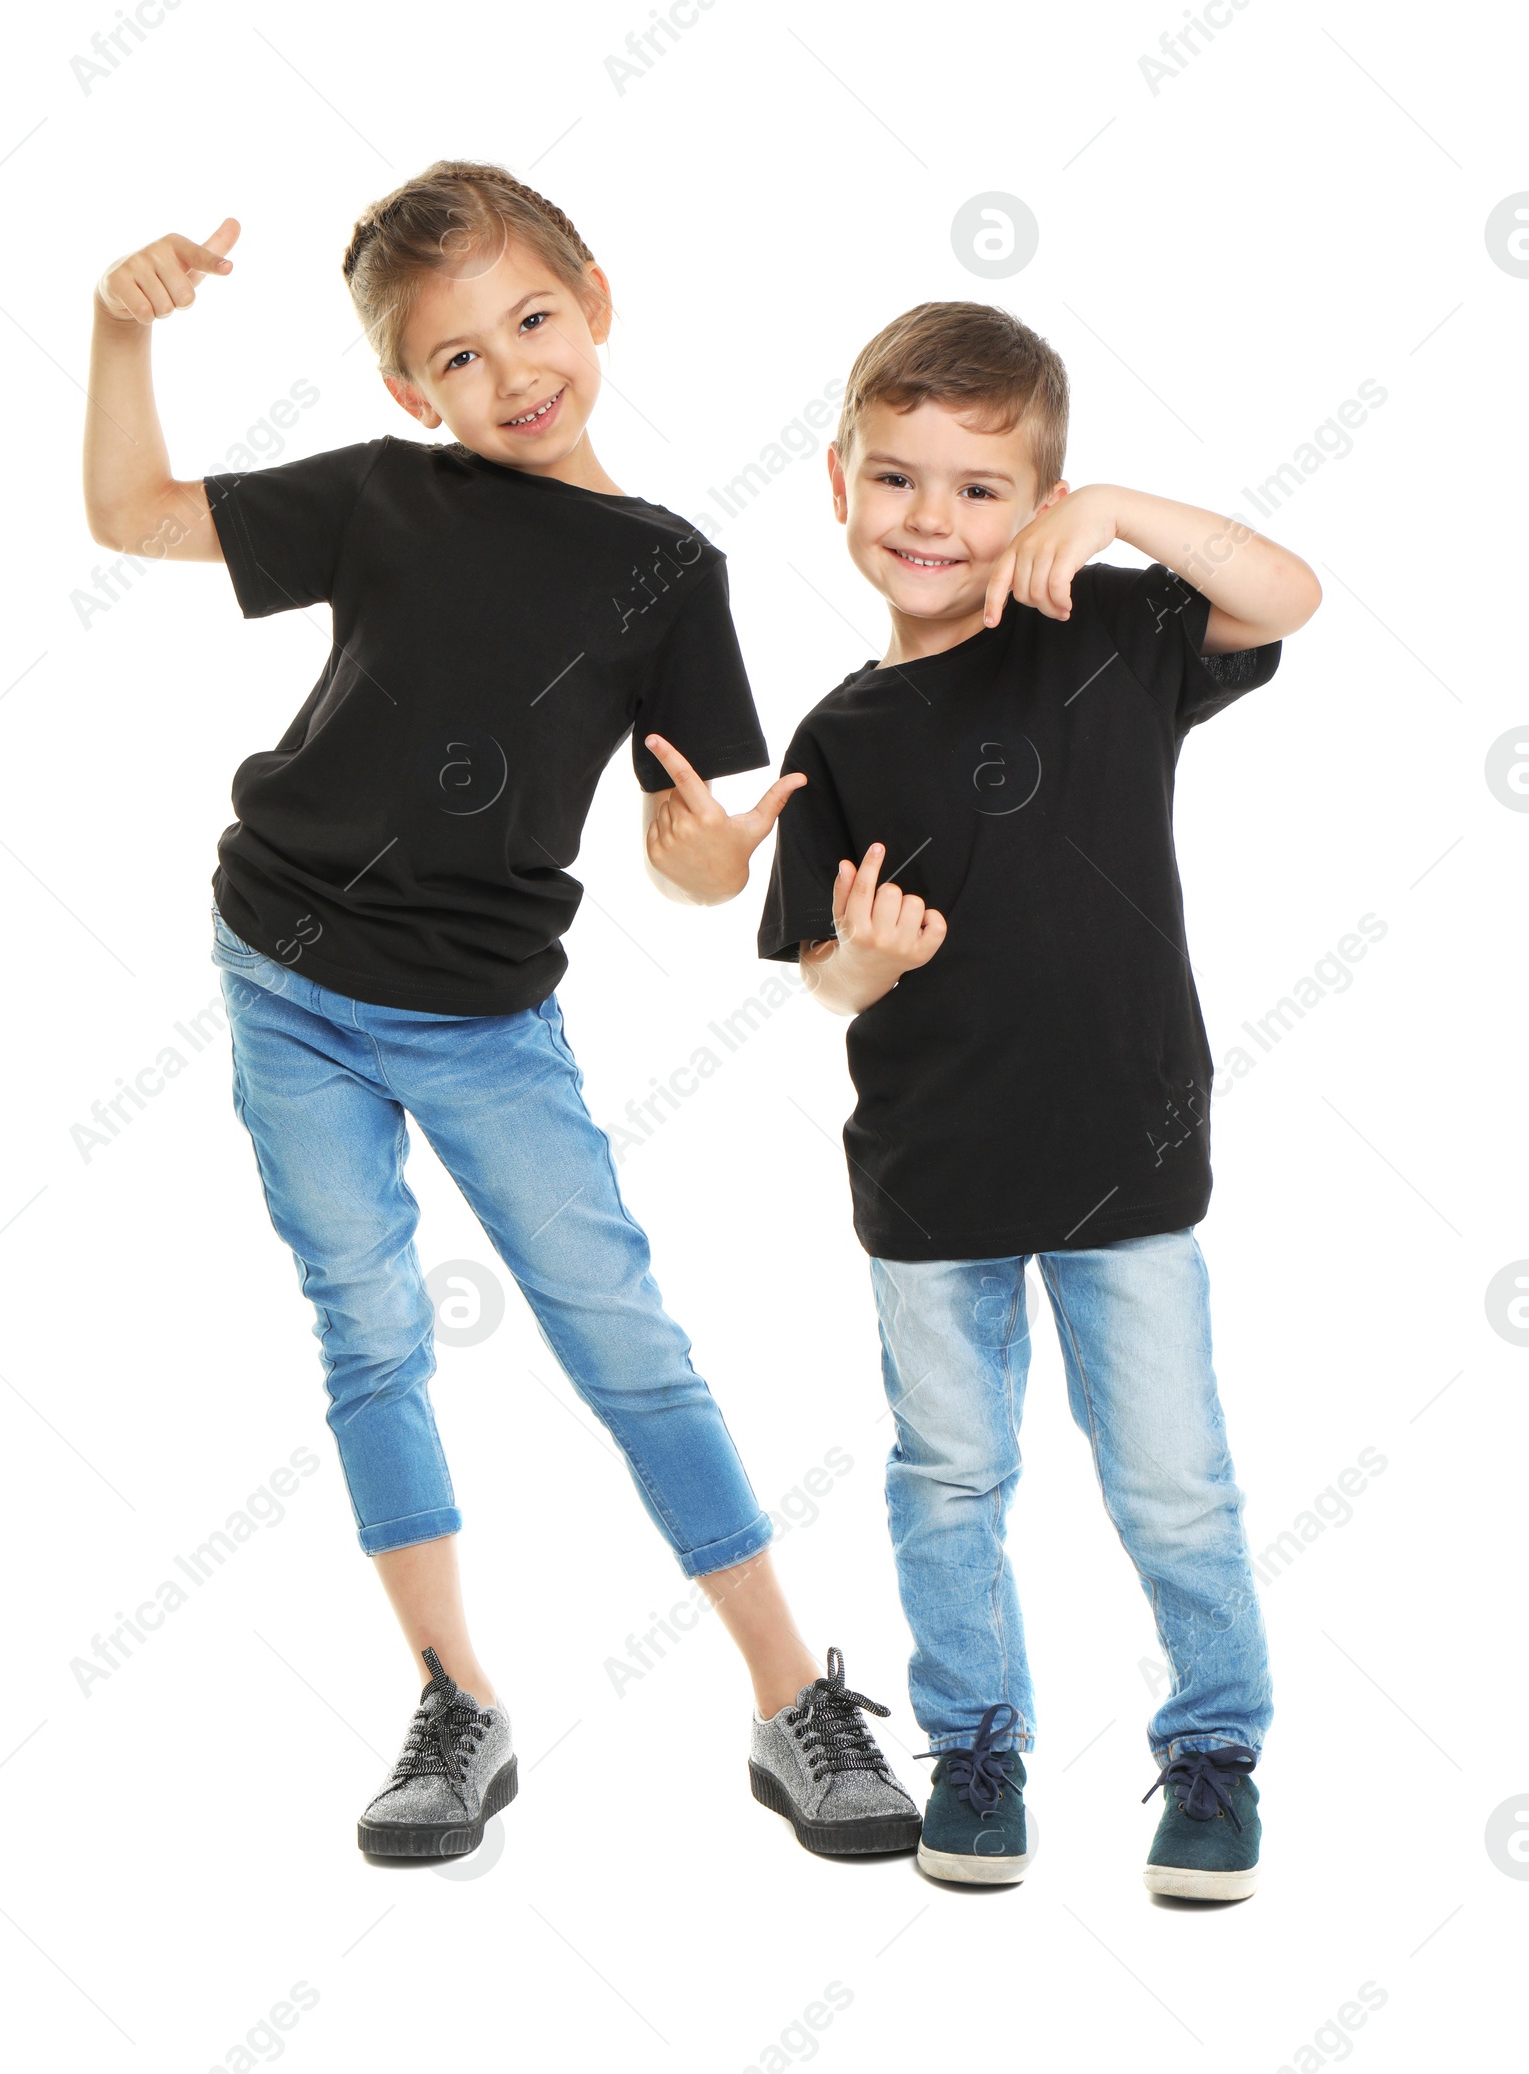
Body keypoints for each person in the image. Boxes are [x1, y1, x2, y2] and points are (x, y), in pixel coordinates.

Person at [81, 159, 919, 1863]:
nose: (510, 370)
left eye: (532, 319)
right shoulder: (385, 496)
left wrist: (693, 859)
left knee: (623, 1341)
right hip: (284, 974)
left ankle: (787, 1700)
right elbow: (131, 515)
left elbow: (692, 856)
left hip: (480, 1017)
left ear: (595, 300)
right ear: (408, 388)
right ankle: (455, 1695)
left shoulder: (670, 570)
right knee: (367, 1327)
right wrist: (116, 325)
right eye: (456, 356)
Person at [758, 299, 1322, 1898]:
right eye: (898, 479)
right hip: (933, 1178)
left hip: (1127, 1160)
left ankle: (1213, 1753)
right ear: (840, 482)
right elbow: (816, 972)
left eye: (980, 486)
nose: (932, 518)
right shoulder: (841, 734)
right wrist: (864, 961)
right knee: (949, 1475)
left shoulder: (1114, 639)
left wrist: (1126, 512)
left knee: (1169, 1474)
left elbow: (1291, 594)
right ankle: (977, 1747)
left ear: (1040, 501)